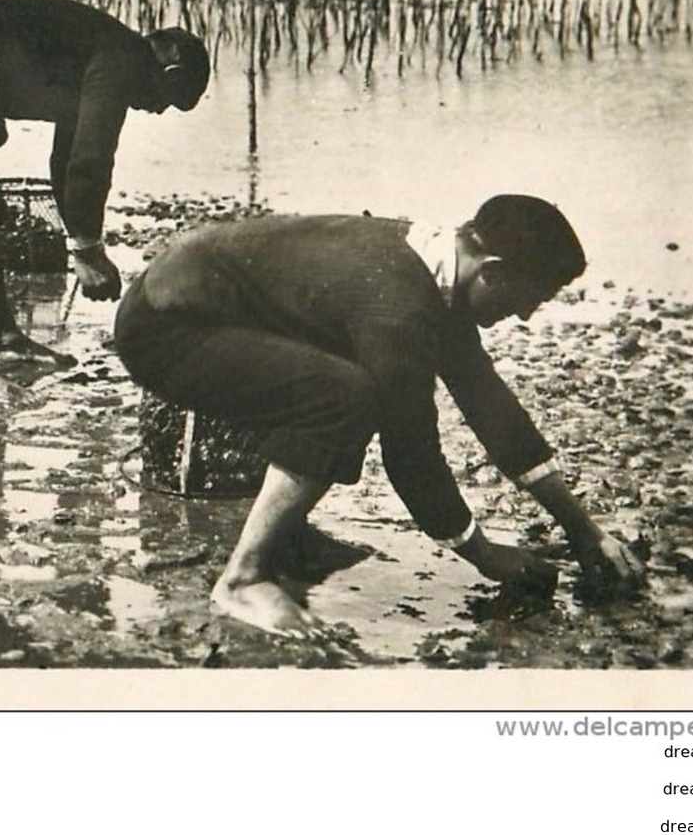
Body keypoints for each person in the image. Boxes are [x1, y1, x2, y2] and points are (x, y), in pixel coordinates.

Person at [112, 195, 648, 635]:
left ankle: (289, 537)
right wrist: (483, 554)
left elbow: (491, 406)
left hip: (211, 304)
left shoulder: (437, 271)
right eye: (531, 297)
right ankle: (244, 580)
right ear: (494, 271)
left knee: (342, 374)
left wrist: (583, 529)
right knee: (345, 394)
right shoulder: (400, 306)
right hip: (165, 328)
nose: (527, 314)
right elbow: (411, 452)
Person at [0, 0, 210, 400]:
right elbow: (91, 160)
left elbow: (67, 159)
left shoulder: (98, 50)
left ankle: (3, 337)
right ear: (170, 69)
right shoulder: (124, 57)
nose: (160, 111)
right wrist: (87, 252)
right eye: (172, 98)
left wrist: (82, 240)